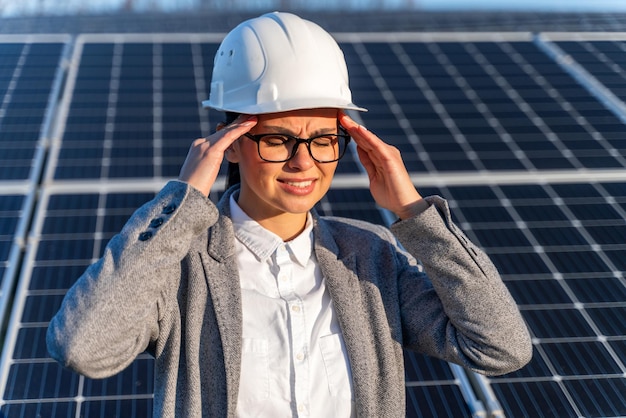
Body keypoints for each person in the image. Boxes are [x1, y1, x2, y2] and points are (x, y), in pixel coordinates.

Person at [47, 11, 532, 418]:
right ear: (229, 145)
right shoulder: (177, 266)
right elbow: (83, 347)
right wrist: (181, 203)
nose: (305, 162)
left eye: (324, 141)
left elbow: (501, 346)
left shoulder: (371, 257)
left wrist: (414, 213)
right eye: (278, 139)